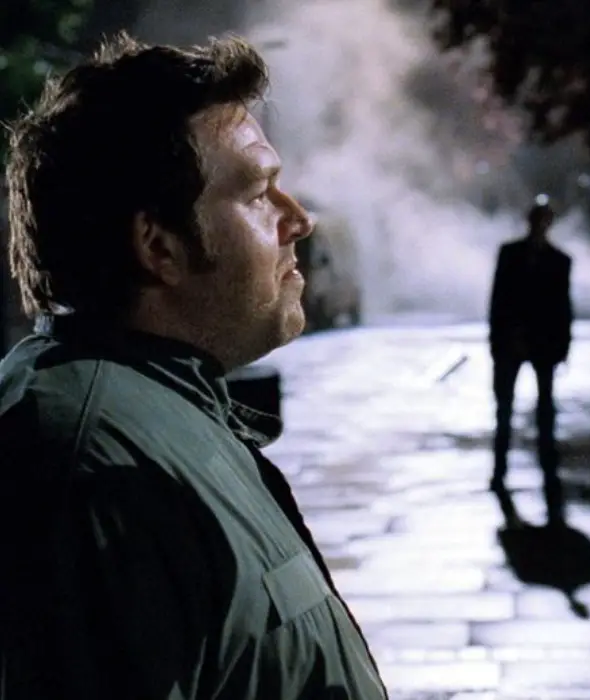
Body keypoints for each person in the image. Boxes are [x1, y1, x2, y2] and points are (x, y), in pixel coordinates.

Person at [0, 34, 387, 699]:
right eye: (259, 194)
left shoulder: (154, 415)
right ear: (160, 247)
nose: (298, 220)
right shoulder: (98, 475)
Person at [488, 195, 573, 523]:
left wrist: (563, 346)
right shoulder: (511, 254)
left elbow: (563, 308)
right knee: (505, 411)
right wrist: (497, 342)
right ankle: (501, 472)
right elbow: (498, 301)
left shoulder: (559, 261)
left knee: (545, 411)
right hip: (511, 345)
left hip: (542, 346)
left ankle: (548, 471)